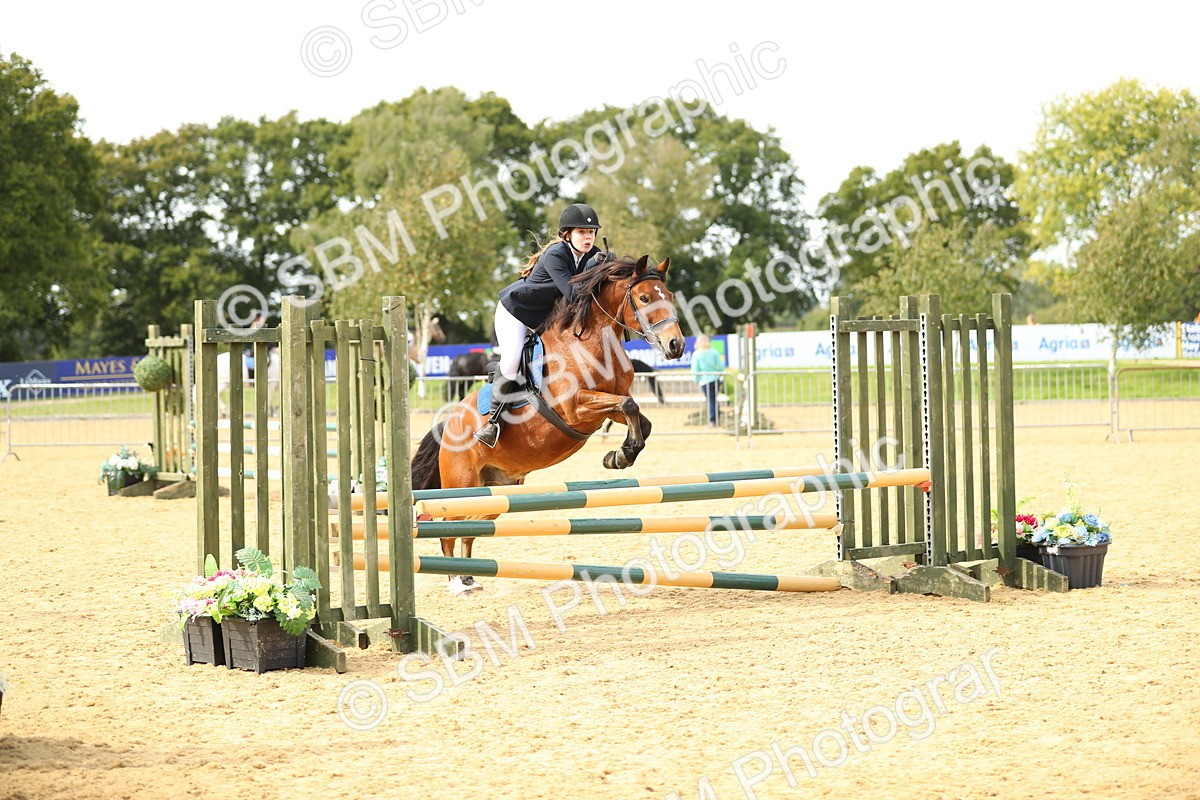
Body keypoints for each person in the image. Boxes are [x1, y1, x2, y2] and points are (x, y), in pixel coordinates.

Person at [474, 203, 614, 447]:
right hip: (516, 312)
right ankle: (493, 424)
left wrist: (612, 264)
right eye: (582, 232)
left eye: (591, 232)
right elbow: (573, 294)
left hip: (544, 317)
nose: (588, 237)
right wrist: (595, 266)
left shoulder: (591, 254)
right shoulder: (556, 255)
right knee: (512, 360)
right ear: (567, 235)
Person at [691, 334, 725, 427]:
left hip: (704, 380)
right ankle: (717, 419)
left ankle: (712, 421)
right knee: (714, 399)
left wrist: (696, 380)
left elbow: (695, 369)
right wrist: (717, 374)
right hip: (715, 379)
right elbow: (721, 366)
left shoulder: (697, 354)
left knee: (710, 400)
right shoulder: (714, 352)